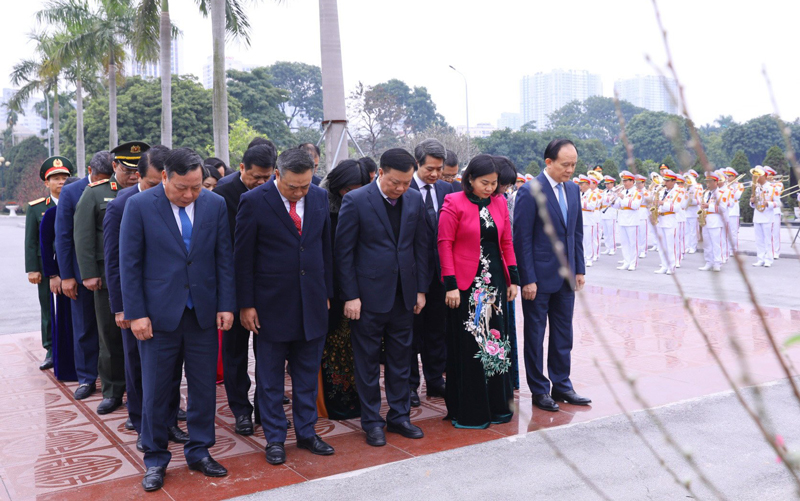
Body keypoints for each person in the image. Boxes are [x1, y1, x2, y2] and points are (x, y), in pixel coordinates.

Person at [120, 147, 236, 492]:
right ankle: (155, 458)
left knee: (203, 388)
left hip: (201, 312)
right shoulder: (139, 206)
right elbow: (129, 264)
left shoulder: (214, 205)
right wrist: (136, 313)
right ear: (165, 177)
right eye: (182, 188)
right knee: (156, 389)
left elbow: (223, 257)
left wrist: (226, 304)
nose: (189, 195)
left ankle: (199, 450)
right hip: (157, 315)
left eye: (197, 187)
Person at [236, 148, 335, 465]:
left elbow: (325, 248)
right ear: (277, 175)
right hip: (271, 305)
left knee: (307, 375)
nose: (300, 192)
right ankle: (275, 438)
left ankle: (307, 432)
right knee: (270, 379)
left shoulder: (319, 198)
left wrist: (328, 292)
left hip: (313, 302)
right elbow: (243, 259)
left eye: (305, 185)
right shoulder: (253, 201)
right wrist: (246, 304)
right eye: (294, 186)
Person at [335, 148, 430, 446]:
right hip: (367, 297)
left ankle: (400, 416)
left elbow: (420, 247)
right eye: (394, 182)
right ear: (380, 172)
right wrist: (350, 295)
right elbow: (343, 252)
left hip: (404, 294)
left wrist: (420, 289)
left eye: (406, 182)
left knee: (402, 359)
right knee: (366, 362)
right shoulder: (356, 199)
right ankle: (372, 421)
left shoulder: (414, 199)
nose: (400, 188)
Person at [103, 145, 189, 451]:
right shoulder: (123, 205)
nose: (160, 189)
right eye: (154, 183)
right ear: (142, 176)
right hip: (137, 304)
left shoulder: (181, 202)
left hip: (172, 304)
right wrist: (122, 307)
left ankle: (168, 421)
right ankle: (141, 423)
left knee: (169, 368)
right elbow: (117, 262)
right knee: (139, 368)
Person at [438, 155, 518, 428]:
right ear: (469, 179)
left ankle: (498, 407)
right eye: (485, 182)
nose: (490, 188)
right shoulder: (453, 202)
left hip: (494, 284)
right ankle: (471, 410)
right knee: (470, 343)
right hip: (466, 285)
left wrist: (513, 280)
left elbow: (506, 241)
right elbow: (444, 244)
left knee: (496, 342)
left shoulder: (500, 202)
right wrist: (450, 286)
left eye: (494, 184)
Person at [513, 139, 589, 412]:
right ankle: (539, 389)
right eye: (565, 164)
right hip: (539, 278)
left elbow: (576, 233)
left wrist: (579, 268)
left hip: (566, 276)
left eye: (574, 165)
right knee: (535, 334)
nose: (570, 170)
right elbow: (521, 238)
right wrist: (527, 278)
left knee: (563, 332)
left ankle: (562, 384)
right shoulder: (530, 191)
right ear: (549, 162)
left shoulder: (572, 190)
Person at [75, 141, 147, 415]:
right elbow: (82, 236)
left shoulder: (156, 192)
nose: (133, 175)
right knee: (110, 336)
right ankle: (113, 390)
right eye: (128, 169)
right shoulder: (96, 194)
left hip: (143, 277)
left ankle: (140, 393)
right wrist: (89, 274)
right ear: (115, 166)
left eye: (137, 169)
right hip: (108, 277)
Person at [214, 143, 277, 436]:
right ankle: (241, 409)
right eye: (255, 177)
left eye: (267, 177)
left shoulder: (279, 190)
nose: (262, 184)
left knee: (268, 351)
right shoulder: (221, 196)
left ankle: (266, 407)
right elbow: (221, 248)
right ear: (242, 169)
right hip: (232, 286)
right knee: (235, 352)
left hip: (268, 285)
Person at [55, 151, 111, 400]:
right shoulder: (72, 191)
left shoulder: (118, 187)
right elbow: (64, 237)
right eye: (99, 177)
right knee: (85, 327)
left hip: (110, 273)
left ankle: (112, 378)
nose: (102, 182)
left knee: (110, 330)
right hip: (80, 274)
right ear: (90, 171)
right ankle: (87, 378)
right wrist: (66, 276)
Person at [318, 159, 369, 420]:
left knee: (355, 347)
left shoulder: (365, 204)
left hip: (357, 285)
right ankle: (332, 403)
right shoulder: (320, 204)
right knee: (330, 346)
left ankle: (358, 400)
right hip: (329, 285)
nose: (352, 195)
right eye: (348, 190)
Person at [407, 139, 452, 407]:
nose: (435, 174)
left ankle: (435, 380)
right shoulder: (404, 188)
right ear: (417, 164)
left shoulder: (447, 189)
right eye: (430, 169)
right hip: (412, 274)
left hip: (440, 274)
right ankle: (411, 384)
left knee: (438, 330)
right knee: (411, 332)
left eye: (439, 169)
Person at [26, 156, 73, 370]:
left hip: (71, 265)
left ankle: (71, 347)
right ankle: (50, 348)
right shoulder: (36, 208)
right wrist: (32, 269)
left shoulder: (77, 203)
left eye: (64, 177)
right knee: (48, 308)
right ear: (47, 183)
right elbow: (31, 241)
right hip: (46, 268)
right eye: (55, 178)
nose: (61, 182)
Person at [41, 176, 80, 381]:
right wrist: (53, 275)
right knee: (64, 322)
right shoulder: (52, 214)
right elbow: (45, 246)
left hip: (83, 274)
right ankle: (66, 367)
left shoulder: (85, 211)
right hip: (62, 275)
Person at [698, 171, 728, 272]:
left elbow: (723, 209)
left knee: (716, 243)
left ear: (715, 182)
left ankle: (717, 262)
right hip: (706, 220)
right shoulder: (706, 193)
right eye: (707, 182)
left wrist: (708, 207)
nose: (707, 184)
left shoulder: (720, 194)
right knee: (707, 243)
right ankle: (708, 262)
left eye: (710, 182)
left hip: (715, 221)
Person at [653, 170, 682, 275]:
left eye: (667, 181)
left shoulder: (678, 192)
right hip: (660, 219)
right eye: (665, 180)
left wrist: (662, 204)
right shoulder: (661, 191)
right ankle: (664, 266)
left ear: (674, 181)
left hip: (670, 219)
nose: (665, 182)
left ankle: (671, 266)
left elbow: (677, 208)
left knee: (670, 245)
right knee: (662, 246)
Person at [613, 171, 642, 271]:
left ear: (632, 181)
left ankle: (633, 263)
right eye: (623, 181)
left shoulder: (637, 192)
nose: (624, 183)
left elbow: (635, 205)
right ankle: (626, 261)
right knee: (624, 243)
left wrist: (623, 198)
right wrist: (613, 201)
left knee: (632, 243)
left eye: (626, 181)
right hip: (622, 219)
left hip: (632, 220)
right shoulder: (623, 192)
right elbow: (617, 205)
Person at [749, 166, 777, 267]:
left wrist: (768, 203)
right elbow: (753, 203)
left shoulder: (772, 188)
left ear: (764, 176)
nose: (755, 178)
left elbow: (777, 203)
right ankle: (760, 259)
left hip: (767, 216)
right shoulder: (756, 187)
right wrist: (752, 202)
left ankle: (768, 259)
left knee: (768, 240)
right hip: (757, 216)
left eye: (758, 176)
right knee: (759, 240)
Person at [722, 167, 743, 257]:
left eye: (730, 176)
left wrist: (732, 187)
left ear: (734, 177)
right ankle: (725, 249)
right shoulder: (724, 185)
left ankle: (733, 250)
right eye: (727, 176)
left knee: (733, 232)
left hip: (734, 211)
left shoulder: (739, 185)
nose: (728, 178)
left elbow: (737, 196)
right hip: (725, 211)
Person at [578, 175, 596, 267]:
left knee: (588, 240)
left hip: (589, 220)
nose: (580, 186)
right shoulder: (580, 194)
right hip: (581, 219)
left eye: (582, 184)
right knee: (581, 241)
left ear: (588, 185)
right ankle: (584, 257)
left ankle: (589, 258)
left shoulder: (592, 194)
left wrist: (580, 203)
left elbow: (592, 206)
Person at [600, 175, 618, 256]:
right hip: (604, 213)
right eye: (606, 184)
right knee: (606, 232)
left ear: (612, 183)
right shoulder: (604, 191)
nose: (607, 185)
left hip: (611, 212)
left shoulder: (615, 191)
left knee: (611, 232)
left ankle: (612, 248)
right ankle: (608, 247)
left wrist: (604, 199)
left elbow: (609, 200)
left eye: (608, 183)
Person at [635, 174, 650, 259]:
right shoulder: (635, 191)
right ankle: (637, 250)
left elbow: (648, 200)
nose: (638, 185)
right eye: (637, 183)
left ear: (643, 183)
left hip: (643, 213)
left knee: (643, 234)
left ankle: (643, 250)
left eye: (639, 183)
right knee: (636, 234)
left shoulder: (646, 192)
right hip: (635, 213)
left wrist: (642, 193)